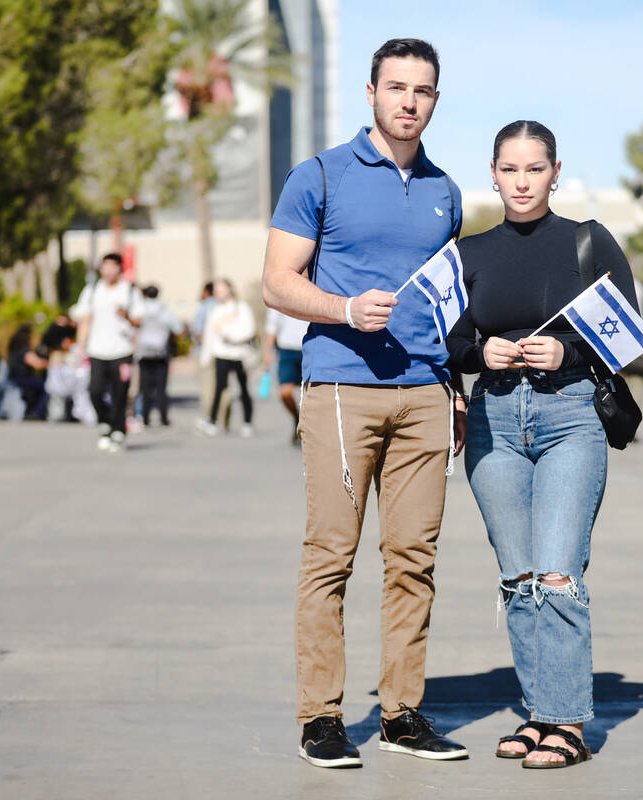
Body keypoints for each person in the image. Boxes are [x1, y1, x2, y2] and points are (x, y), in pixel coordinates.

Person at [262, 38, 467, 769]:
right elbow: (277, 283)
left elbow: (451, 304)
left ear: (435, 100)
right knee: (331, 556)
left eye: (424, 90)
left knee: (414, 557)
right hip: (343, 389)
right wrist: (345, 309)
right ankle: (321, 717)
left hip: (428, 397)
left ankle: (402, 712)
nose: (409, 101)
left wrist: (459, 392)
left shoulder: (446, 190)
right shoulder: (319, 174)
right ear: (372, 92)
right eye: (397, 87)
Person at [446, 120, 638, 770]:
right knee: (519, 577)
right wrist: (480, 350)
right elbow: (445, 340)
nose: (522, 181)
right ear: (493, 173)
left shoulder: (589, 241)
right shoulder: (469, 253)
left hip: (571, 417)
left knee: (557, 573)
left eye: (535, 168)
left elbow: (628, 335)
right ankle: (540, 711)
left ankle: (568, 722)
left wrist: (568, 349)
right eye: (510, 169)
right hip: (494, 420)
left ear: (556, 172)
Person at [73, 252, 143, 452]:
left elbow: (139, 321)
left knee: (120, 392)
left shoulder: (129, 291)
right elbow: (85, 320)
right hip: (97, 350)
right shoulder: (92, 290)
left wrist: (126, 316)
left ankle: (119, 430)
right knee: (95, 391)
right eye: (105, 266)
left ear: (120, 269)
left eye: (113, 266)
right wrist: (81, 346)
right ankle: (105, 422)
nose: (109, 271)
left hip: (122, 351)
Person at [196, 278, 256, 437]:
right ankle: (212, 421)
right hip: (221, 354)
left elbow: (249, 330)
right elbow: (209, 334)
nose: (218, 293)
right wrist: (206, 356)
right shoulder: (215, 310)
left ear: (229, 289)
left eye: (221, 289)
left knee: (243, 388)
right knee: (219, 388)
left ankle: (247, 422)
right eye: (216, 290)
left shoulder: (241, 307)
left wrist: (231, 335)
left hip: (239, 355)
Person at [135, 285, 184, 427]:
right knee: (161, 388)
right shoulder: (164, 311)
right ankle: (163, 417)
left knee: (144, 388)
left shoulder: (140, 309)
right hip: (160, 354)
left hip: (144, 354)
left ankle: (145, 417)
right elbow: (179, 329)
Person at [262, 307, 308, 444]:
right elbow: (271, 326)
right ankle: (297, 418)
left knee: (309, 394)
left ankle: (307, 428)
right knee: (285, 392)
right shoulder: (282, 294)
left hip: (308, 347)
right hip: (287, 350)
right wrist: (267, 351)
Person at [192, 282, 217, 428]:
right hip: (219, 352)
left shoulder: (204, 307)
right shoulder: (220, 306)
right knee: (220, 386)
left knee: (207, 387)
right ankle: (222, 419)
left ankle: (210, 417)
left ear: (206, 292)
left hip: (203, 352)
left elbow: (198, 332)